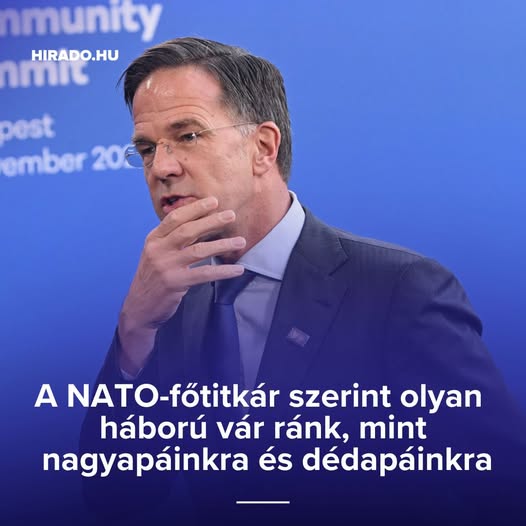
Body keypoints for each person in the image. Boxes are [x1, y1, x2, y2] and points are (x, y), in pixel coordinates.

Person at [81, 37, 526, 525]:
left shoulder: (398, 290)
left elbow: (502, 483)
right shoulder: (168, 306)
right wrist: (134, 331)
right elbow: (118, 496)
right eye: (147, 149)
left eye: (187, 136)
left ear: (263, 148)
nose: (161, 168)